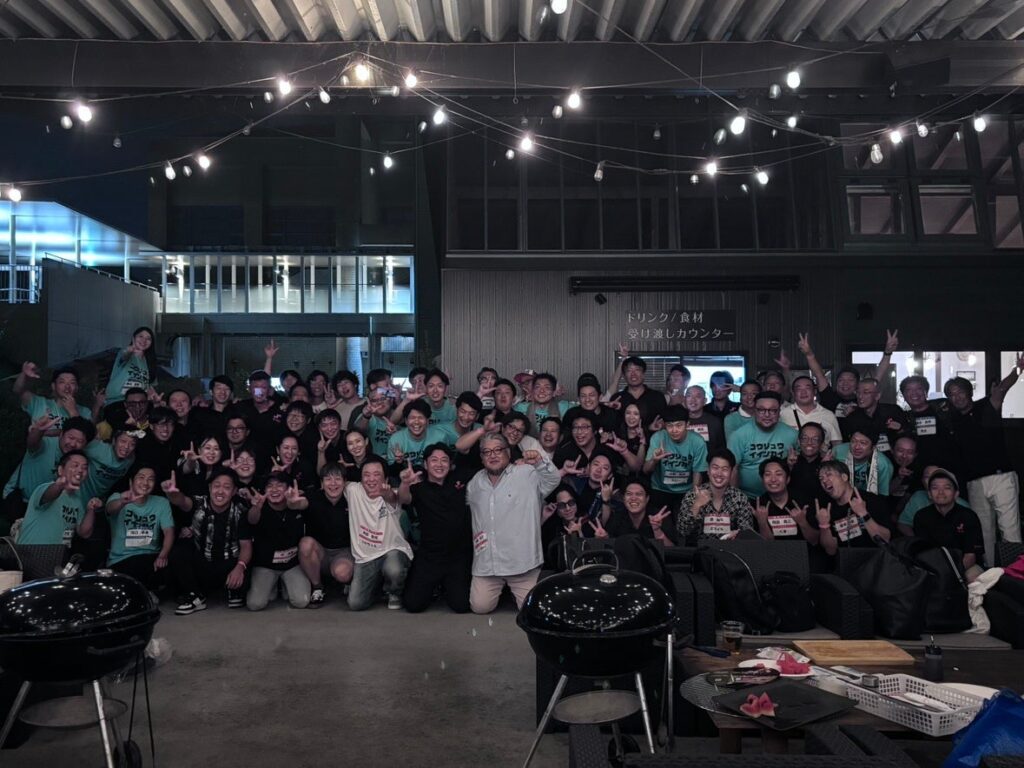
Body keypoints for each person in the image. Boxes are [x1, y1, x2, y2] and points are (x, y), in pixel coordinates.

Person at [466, 434, 560, 613]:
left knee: (530, 610)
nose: (492, 455)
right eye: (487, 452)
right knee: (480, 607)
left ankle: (517, 591)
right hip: (488, 563)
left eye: (498, 450)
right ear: (481, 457)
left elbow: (553, 479)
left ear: (508, 453)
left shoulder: (527, 473)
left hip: (522, 564)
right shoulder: (475, 482)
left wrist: (540, 462)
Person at [945, 359, 1023, 567]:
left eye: (960, 391)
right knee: (983, 532)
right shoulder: (953, 420)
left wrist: (1018, 369)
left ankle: (1015, 573)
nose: (957, 397)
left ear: (969, 392)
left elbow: (1002, 389)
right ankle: (990, 574)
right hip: (974, 482)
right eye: (952, 394)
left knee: (1010, 529)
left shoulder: (986, 406)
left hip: (1001, 477)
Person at [164, 468, 252, 614]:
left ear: (234, 491)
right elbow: (182, 501)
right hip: (203, 563)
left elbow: (246, 545)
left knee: (248, 564)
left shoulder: (240, 509)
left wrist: (240, 567)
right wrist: (172, 494)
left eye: (226, 487)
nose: (220, 491)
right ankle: (196, 596)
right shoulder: (199, 502)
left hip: (229, 564)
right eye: (216, 486)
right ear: (210, 487)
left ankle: (234, 591)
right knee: (179, 551)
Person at [398, 444, 473, 613]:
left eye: (444, 460)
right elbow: (403, 499)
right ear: (425, 464)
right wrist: (405, 483)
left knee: (461, 606)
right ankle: (434, 586)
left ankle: (445, 586)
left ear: (450, 464)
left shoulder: (460, 480)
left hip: (458, 555)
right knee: (413, 605)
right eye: (434, 460)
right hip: (430, 555)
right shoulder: (419, 487)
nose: (439, 464)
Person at [345, 455, 413, 611]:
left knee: (394, 569)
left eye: (377, 475)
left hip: (392, 551)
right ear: (361, 479)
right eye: (366, 475)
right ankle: (377, 587)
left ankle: (394, 592)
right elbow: (333, 483)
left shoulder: (390, 494)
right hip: (365, 557)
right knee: (356, 603)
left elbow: (398, 498)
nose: (371, 479)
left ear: (386, 479)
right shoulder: (353, 490)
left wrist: (404, 483)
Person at [243, 474, 311, 611]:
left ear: (288, 489)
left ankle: (284, 585)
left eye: (280, 485)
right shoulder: (260, 506)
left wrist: (296, 503)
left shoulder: (295, 503)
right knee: (255, 604)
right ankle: (273, 585)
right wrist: (257, 507)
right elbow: (251, 520)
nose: (274, 489)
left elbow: (304, 504)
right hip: (266, 565)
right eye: (270, 486)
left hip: (292, 564)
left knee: (301, 601)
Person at [3, 415, 94, 513]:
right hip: (20, 499)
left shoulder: (78, 460)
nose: (73, 444)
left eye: (79, 441)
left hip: (45, 506)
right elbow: (32, 443)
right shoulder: (46, 444)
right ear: (61, 434)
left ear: (85, 445)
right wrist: (39, 430)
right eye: (71, 438)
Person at [105, 465, 175, 591]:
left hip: (152, 556)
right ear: (131, 481)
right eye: (141, 478)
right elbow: (110, 509)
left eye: (150, 479)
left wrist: (163, 555)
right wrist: (122, 502)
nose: (145, 483)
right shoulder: (118, 497)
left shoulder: (161, 502)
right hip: (123, 558)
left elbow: (169, 531)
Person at [18, 451, 101, 546]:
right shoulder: (44, 488)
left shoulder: (78, 501)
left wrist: (91, 509)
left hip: (58, 553)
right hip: (31, 550)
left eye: (84, 468)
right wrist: (60, 486)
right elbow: (48, 495)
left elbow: (84, 533)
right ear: (60, 470)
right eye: (75, 465)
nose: (80, 470)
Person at [913, 468, 985, 578]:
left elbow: (970, 556)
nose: (941, 492)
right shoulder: (921, 516)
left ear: (956, 494)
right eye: (935, 488)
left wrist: (950, 576)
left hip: (965, 567)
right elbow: (923, 554)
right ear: (929, 494)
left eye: (947, 488)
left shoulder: (968, 516)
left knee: (973, 577)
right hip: (934, 568)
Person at [299, 462, 354, 607]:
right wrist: (292, 502)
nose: (333, 483)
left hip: (344, 552)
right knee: (305, 544)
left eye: (338, 479)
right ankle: (317, 587)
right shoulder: (313, 497)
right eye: (328, 479)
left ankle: (346, 582)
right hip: (320, 553)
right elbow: (299, 503)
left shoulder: (352, 499)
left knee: (342, 573)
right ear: (322, 483)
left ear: (345, 482)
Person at [727, 392, 798, 498]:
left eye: (772, 410)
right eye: (761, 410)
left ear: (779, 412)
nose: (767, 415)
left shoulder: (792, 435)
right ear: (754, 411)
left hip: (782, 496)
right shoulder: (738, 436)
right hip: (747, 497)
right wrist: (736, 499)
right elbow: (733, 469)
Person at [677, 450, 753, 545]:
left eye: (725, 469)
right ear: (708, 471)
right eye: (715, 468)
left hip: (729, 549)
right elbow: (682, 531)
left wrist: (738, 534)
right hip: (698, 550)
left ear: (731, 472)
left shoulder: (740, 498)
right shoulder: (692, 495)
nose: (719, 473)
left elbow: (747, 534)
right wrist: (696, 505)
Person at [814, 461, 891, 556]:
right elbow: (831, 550)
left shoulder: (871, 500)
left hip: (874, 560)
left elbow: (885, 540)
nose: (824, 481)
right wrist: (824, 526)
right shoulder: (827, 509)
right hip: (845, 561)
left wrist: (864, 514)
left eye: (829, 475)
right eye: (821, 478)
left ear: (844, 477)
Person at [643, 405, 708, 513]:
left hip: (686, 491)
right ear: (664, 425)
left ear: (687, 424)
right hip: (660, 489)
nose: (674, 430)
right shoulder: (658, 438)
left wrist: (693, 497)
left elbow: (697, 472)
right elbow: (646, 470)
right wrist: (654, 460)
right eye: (669, 426)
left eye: (679, 425)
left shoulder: (698, 442)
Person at [900, 375, 961, 481]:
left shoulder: (944, 407)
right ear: (903, 396)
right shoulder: (904, 419)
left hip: (952, 469)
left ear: (926, 392)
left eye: (919, 389)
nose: (914, 393)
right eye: (909, 390)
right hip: (921, 474)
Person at [753, 458, 818, 544]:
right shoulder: (757, 506)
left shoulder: (804, 501)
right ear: (762, 480)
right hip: (773, 551)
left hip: (802, 551)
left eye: (779, 474)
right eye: (768, 474)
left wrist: (802, 522)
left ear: (787, 479)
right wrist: (762, 522)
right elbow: (765, 546)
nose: (773, 479)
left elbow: (814, 541)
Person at [13, 362, 94, 426]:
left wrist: (73, 411)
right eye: (62, 382)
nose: (67, 386)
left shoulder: (85, 412)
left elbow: (87, 436)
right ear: (53, 386)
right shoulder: (39, 403)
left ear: (77, 388)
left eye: (72, 383)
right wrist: (24, 374)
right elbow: (18, 391)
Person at [599, 479, 676, 545]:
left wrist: (657, 530)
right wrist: (603, 538)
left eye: (639, 494)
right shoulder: (617, 517)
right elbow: (610, 546)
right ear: (623, 499)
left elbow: (672, 550)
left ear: (647, 499)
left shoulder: (659, 517)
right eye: (629, 494)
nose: (633, 498)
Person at [843, 376, 908, 453]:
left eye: (866, 392)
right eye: (858, 392)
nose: (860, 396)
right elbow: (847, 445)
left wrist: (900, 429)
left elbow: (909, 436)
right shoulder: (853, 417)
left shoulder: (893, 411)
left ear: (877, 396)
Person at [780, 375, 842, 447]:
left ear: (815, 391)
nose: (803, 392)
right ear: (793, 393)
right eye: (799, 389)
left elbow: (837, 444)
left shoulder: (828, 415)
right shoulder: (783, 413)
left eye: (807, 388)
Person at [832, 428, 894, 497]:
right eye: (853, 441)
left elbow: (882, 495)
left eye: (863, 443)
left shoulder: (883, 465)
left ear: (873, 447)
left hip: (869, 498)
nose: (857, 447)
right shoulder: (838, 451)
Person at [608, 354, 666, 430]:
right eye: (629, 370)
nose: (633, 374)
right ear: (624, 376)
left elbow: (664, 423)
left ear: (643, 374)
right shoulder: (617, 399)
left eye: (637, 370)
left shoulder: (657, 397)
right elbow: (611, 426)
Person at [105, 326, 156, 404]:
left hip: (138, 402)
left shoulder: (149, 361)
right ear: (133, 338)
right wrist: (129, 351)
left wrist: (154, 397)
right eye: (141, 336)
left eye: (148, 338)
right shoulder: (125, 352)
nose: (144, 340)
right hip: (117, 400)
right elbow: (124, 357)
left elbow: (150, 387)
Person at [788, 422, 831, 508]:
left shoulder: (828, 464)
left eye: (815, 439)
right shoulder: (789, 462)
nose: (809, 442)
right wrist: (789, 467)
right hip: (792, 510)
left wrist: (824, 468)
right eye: (804, 438)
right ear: (799, 441)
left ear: (822, 443)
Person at [683, 386, 725, 454]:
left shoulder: (715, 422)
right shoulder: (678, 421)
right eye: (689, 396)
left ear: (705, 401)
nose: (693, 400)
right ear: (684, 399)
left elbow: (721, 448)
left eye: (698, 396)